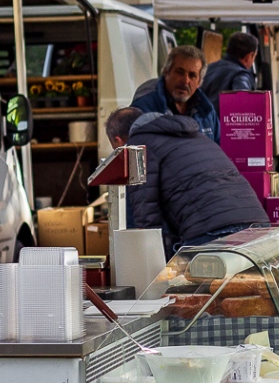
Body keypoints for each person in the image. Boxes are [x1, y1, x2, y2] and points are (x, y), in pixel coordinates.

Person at [107, 107, 267, 256]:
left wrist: (152, 262)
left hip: (212, 230)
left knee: (196, 285)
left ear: (119, 141)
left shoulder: (138, 145)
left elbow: (146, 214)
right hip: (256, 222)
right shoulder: (193, 135)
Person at [132, 45, 219, 141]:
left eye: (192, 75)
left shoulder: (207, 111)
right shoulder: (145, 106)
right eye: (179, 72)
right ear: (166, 72)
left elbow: (220, 147)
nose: (185, 81)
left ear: (199, 82)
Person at [198, 31, 260, 105]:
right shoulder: (241, 75)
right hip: (223, 116)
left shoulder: (208, 68)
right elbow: (243, 104)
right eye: (254, 57)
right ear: (249, 56)